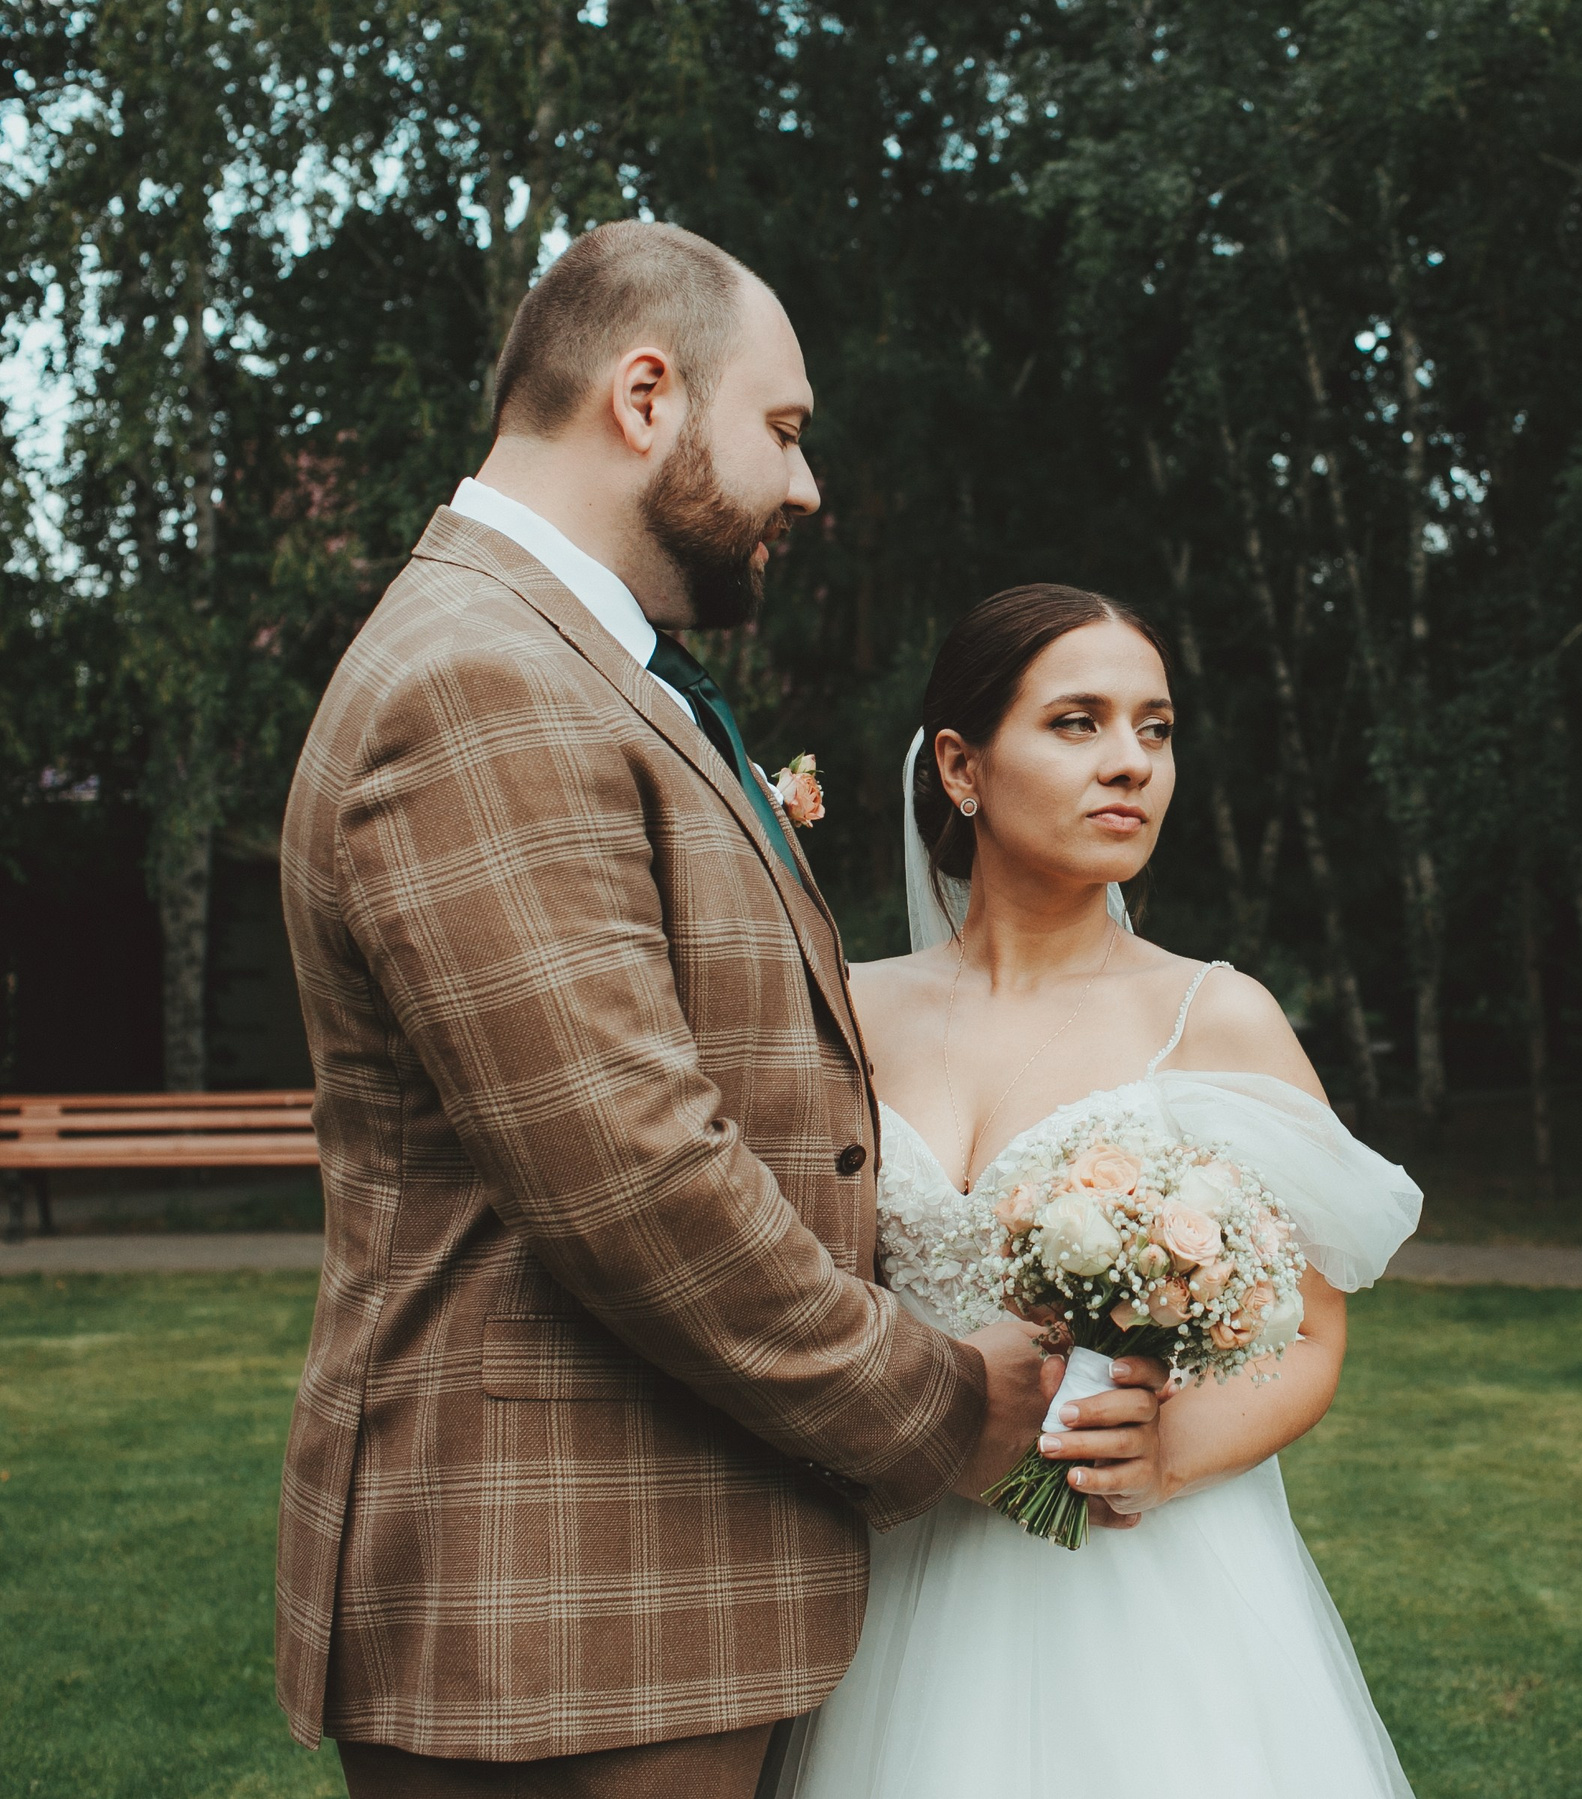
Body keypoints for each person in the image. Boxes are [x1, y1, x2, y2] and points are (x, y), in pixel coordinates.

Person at [274, 223, 1163, 1798]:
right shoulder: (483, 679)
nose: (807, 487)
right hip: (558, 1605)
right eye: (785, 429)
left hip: (643, 1589)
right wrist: (945, 1399)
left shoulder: (575, 668)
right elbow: (634, 1173)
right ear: (643, 397)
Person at [782, 584, 1424, 1798]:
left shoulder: (1213, 1014)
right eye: (1077, 722)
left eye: (1156, 727)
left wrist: (1167, 1451)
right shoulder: (845, 1007)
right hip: (894, 1548)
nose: (1130, 762)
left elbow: (1315, 1328)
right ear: (963, 767)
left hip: (1141, 1585)